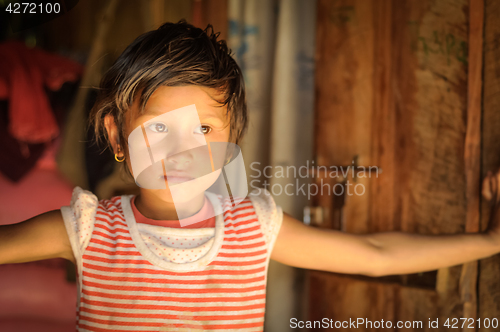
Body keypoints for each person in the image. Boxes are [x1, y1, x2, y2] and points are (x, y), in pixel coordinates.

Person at [1, 20, 499, 332]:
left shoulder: (252, 230)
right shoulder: (89, 231)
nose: (182, 150)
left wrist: (489, 240)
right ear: (115, 135)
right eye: (158, 128)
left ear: (230, 141)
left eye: (203, 128)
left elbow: (375, 255)